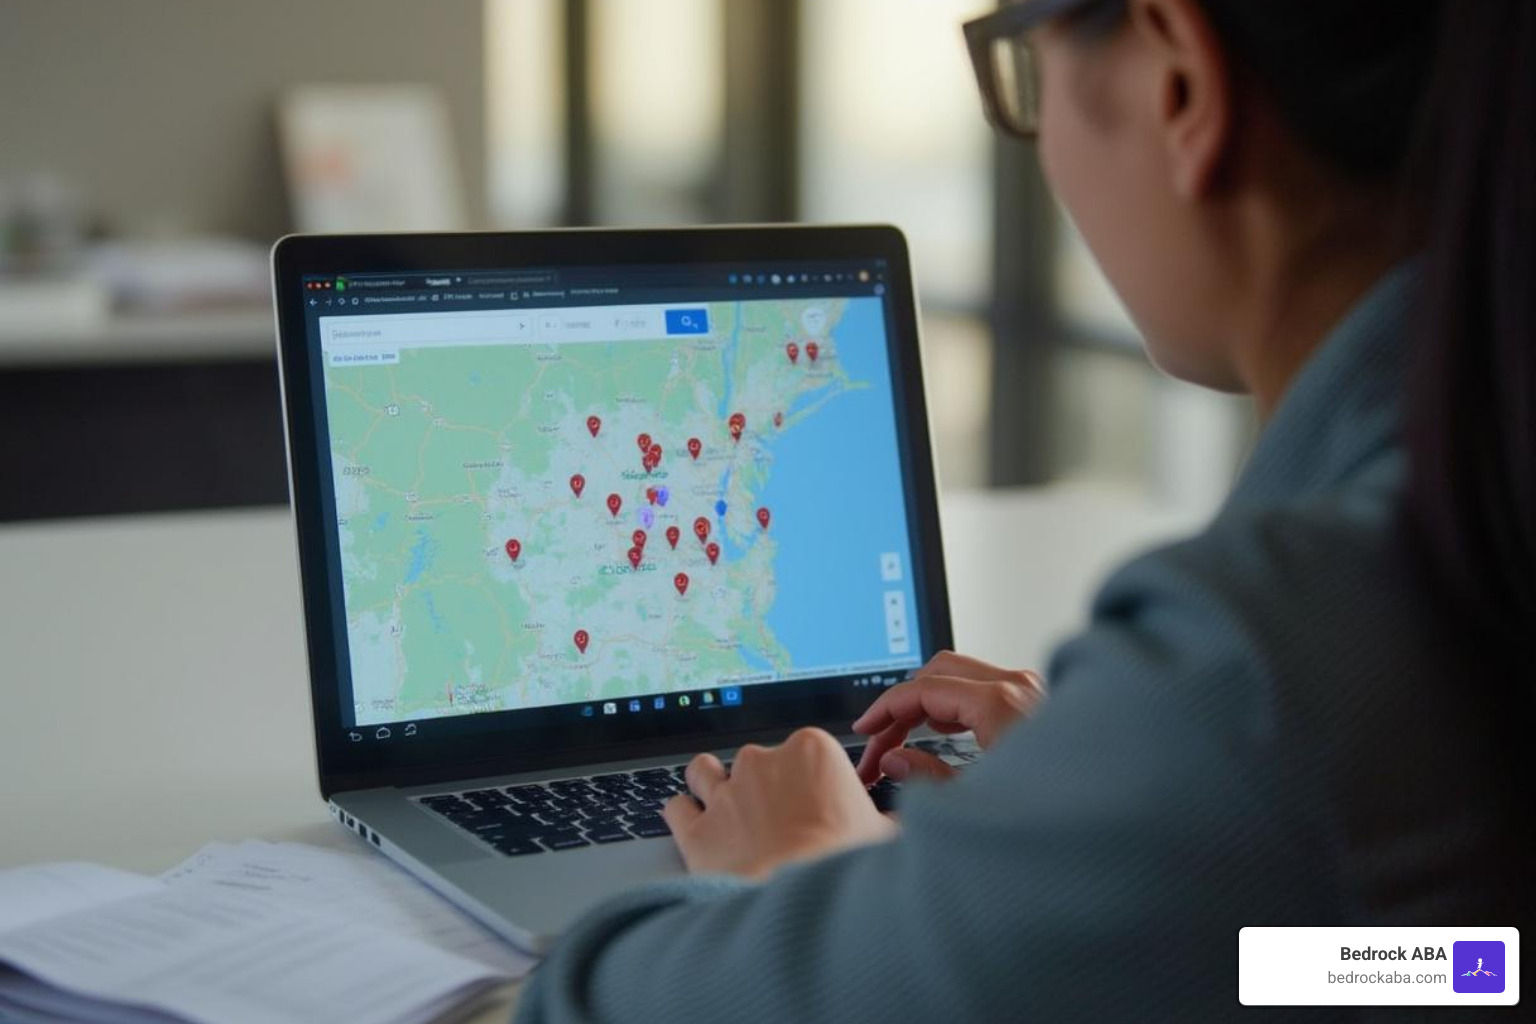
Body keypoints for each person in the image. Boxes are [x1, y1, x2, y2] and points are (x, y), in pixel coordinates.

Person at [517, 0, 1533, 1018]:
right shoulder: (1452, 522)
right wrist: (1107, 818)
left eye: (1027, 76)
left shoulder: (1255, 672)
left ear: (1179, 82)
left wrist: (810, 875)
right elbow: (1471, 967)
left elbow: (581, 1003)